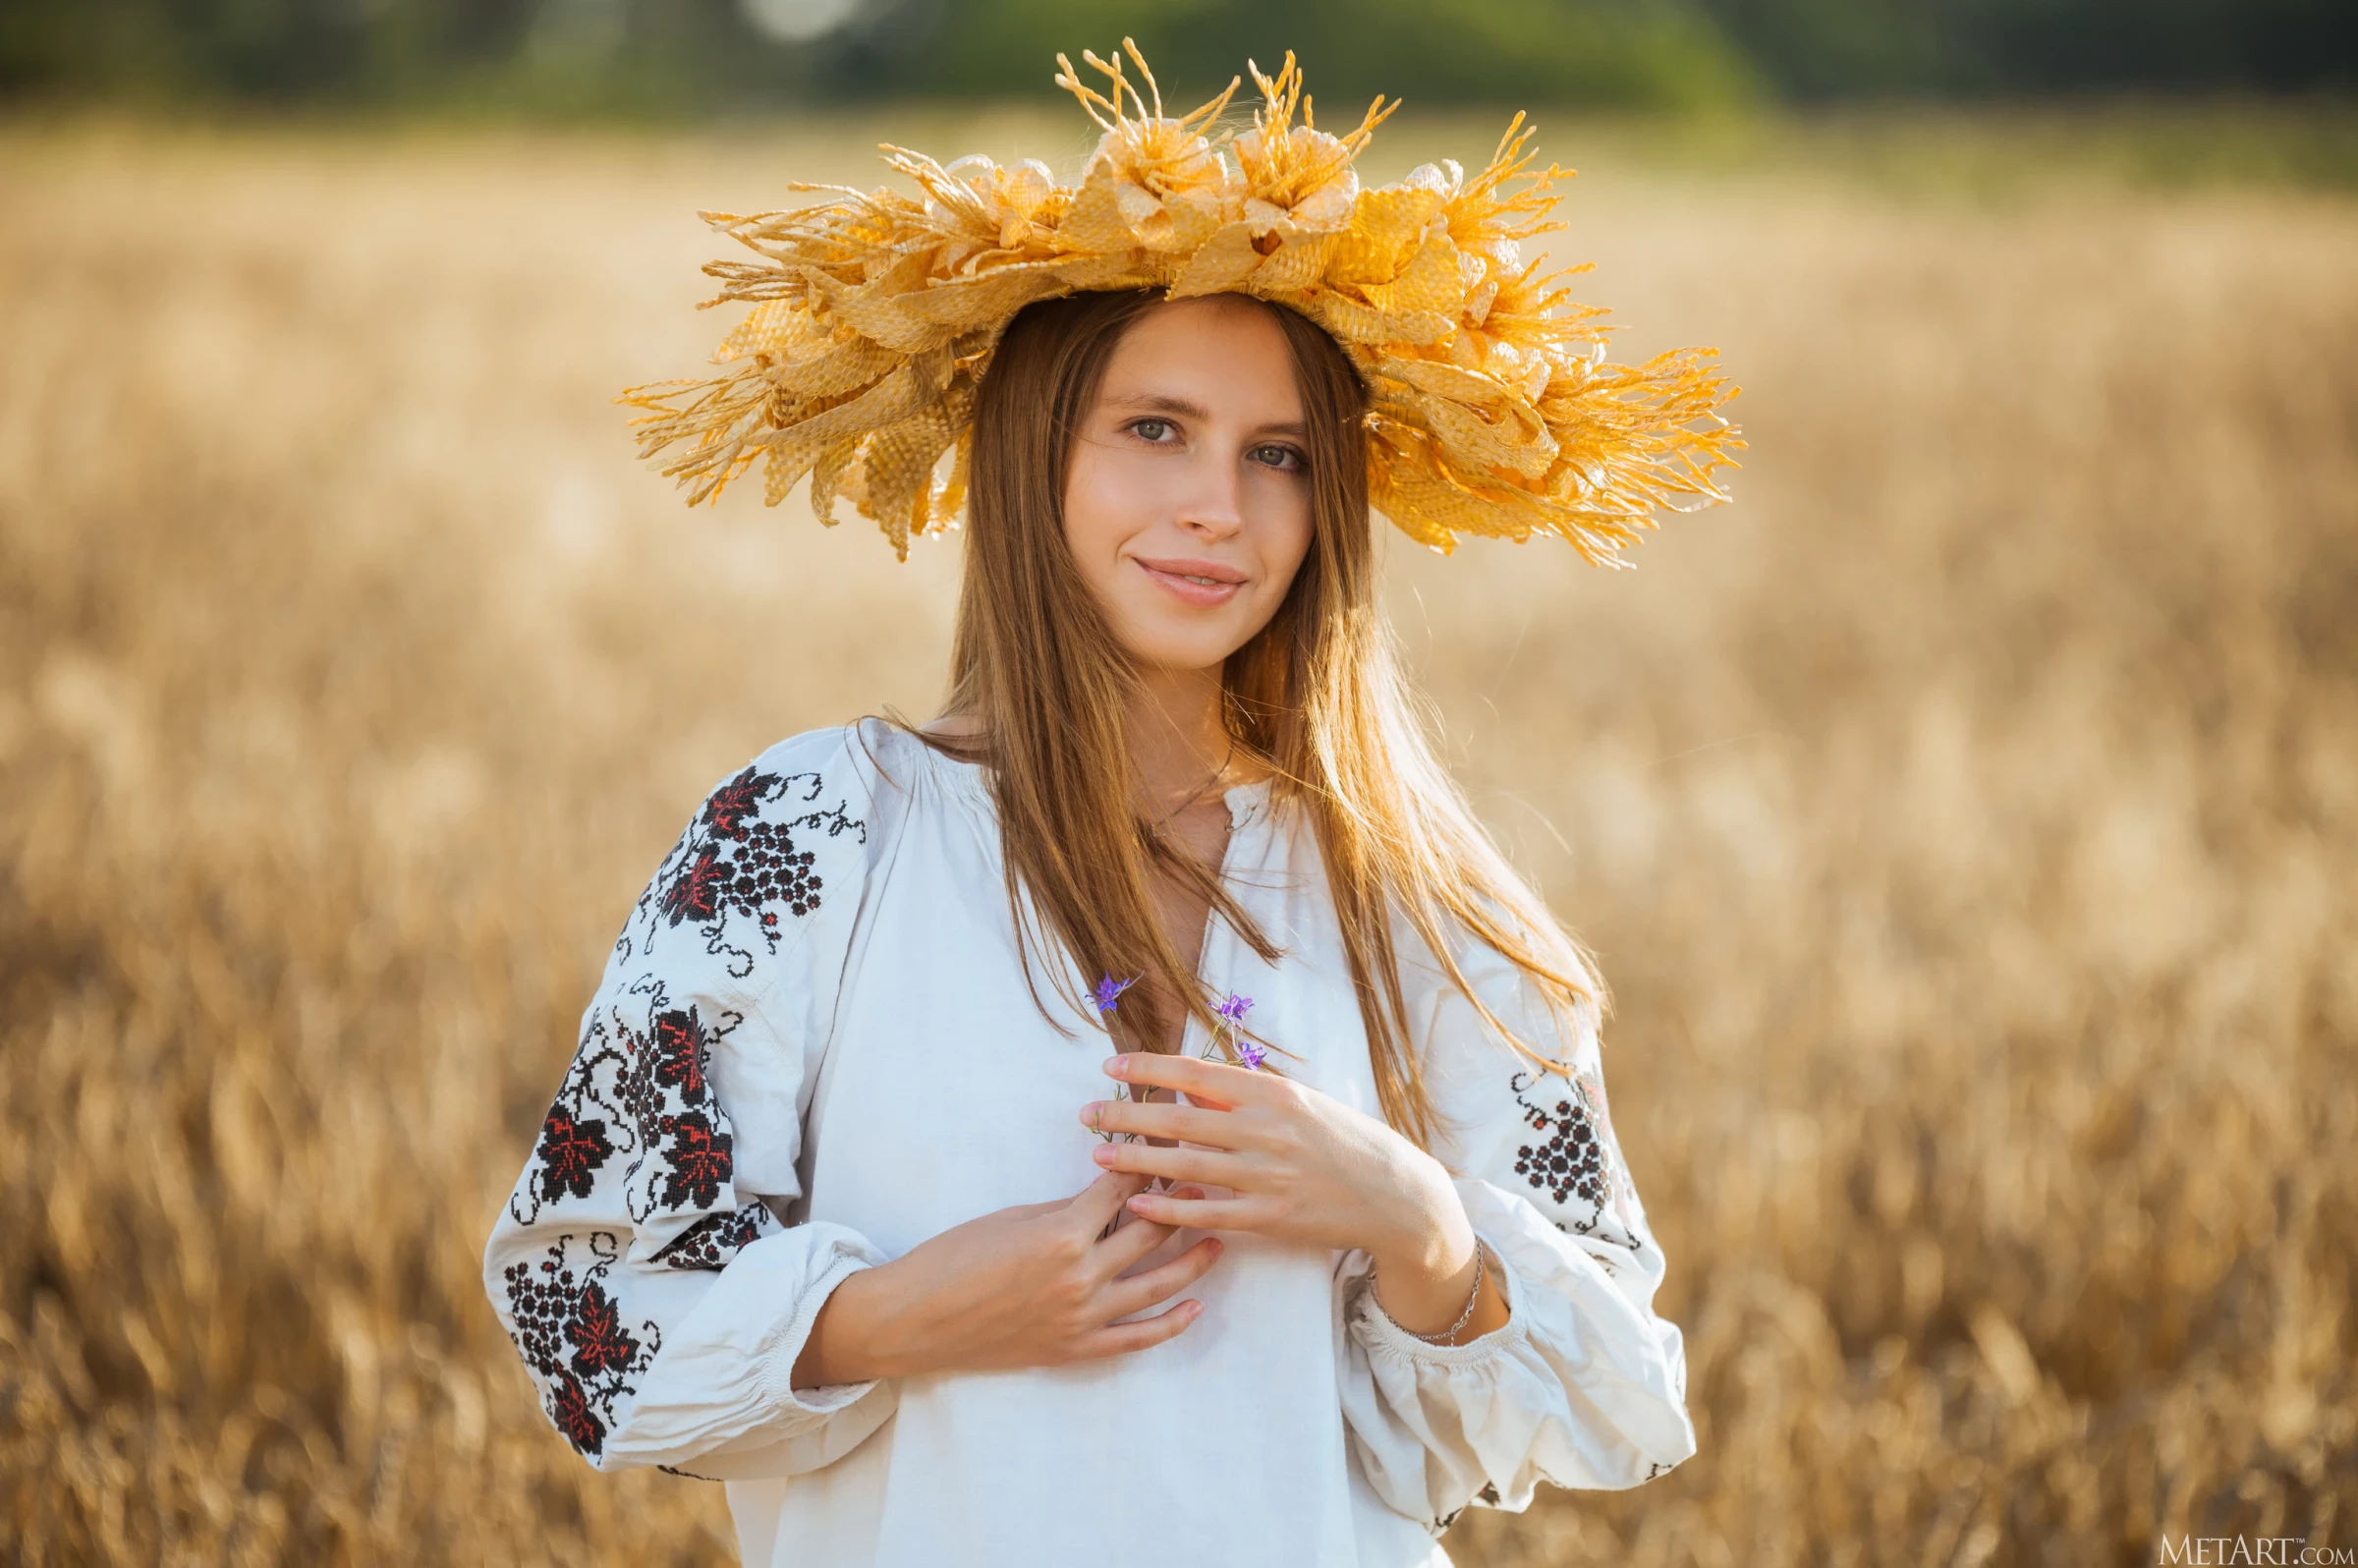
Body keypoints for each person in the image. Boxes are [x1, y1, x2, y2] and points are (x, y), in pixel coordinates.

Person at [483, 41, 1739, 1568]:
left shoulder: (1408, 887)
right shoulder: (805, 834)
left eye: (1278, 455)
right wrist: (903, 1315)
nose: (1222, 505)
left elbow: (1603, 1389)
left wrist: (1410, 1219)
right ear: (1033, 455)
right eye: (1156, 430)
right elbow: (586, 1311)